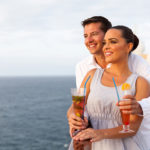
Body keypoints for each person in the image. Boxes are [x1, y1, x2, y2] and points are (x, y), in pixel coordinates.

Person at [67, 16, 150, 149]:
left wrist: (100, 133)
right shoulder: (90, 73)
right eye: (105, 43)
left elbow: (133, 126)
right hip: (90, 143)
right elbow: (77, 105)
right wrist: (73, 119)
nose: (106, 47)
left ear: (129, 46)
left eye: (112, 42)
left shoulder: (141, 78)